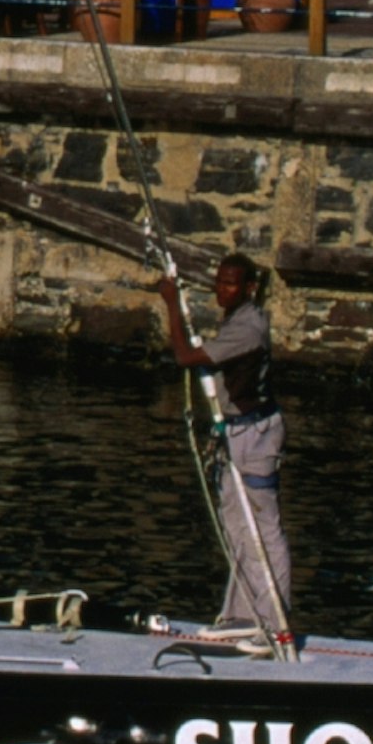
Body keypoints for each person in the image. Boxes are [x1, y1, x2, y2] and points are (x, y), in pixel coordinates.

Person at [156, 255, 291, 642]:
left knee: (264, 528)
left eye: (231, 284)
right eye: (218, 282)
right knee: (236, 526)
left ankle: (275, 618)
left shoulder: (248, 328)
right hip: (237, 433)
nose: (221, 290)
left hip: (256, 437)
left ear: (249, 288)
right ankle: (243, 615)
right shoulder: (238, 318)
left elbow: (185, 357)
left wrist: (170, 303)